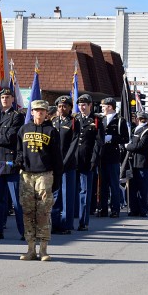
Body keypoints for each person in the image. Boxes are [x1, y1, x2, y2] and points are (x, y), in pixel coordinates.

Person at [15, 99, 63, 261]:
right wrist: (19, 160)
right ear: (32, 112)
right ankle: (30, 249)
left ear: (46, 113)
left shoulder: (51, 131)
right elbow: (19, 150)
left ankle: (43, 250)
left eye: (43, 110)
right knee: (28, 212)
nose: (40, 113)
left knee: (43, 212)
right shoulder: (24, 129)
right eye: (37, 110)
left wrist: (57, 179)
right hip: (27, 175)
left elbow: (57, 157)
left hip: (45, 175)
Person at [0, 88, 24, 239]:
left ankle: (24, 232)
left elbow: (9, 139)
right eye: (2, 97)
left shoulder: (17, 117)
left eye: (7, 97)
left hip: (10, 163)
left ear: (13, 99)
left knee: (17, 202)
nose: (5, 100)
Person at [51, 95, 80, 235]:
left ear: (69, 108)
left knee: (67, 195)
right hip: (54, 165)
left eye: (65, 106)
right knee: (55, 195)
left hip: (67, 165)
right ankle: (55, 223)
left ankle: (66, 224)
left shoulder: (73, 122)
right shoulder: (53, 121)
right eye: (60, 106)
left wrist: (64, 163)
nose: (62, 109)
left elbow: (73, 145)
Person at [74, 94, 102, 231]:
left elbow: (98, 142)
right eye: (80, 105)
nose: (82, 107)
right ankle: (70, 219)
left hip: (87, 160)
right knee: (73, 191)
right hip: (74, 160)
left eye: (84, 105)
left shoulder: (96, 120)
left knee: (85, 192)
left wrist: (93, 160)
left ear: (90, 105)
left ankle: (83, 221)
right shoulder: (75, 119)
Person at [97, 97, 129, 217]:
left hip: (113, 156)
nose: (102, 109)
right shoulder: (101, 119)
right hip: (102, 155)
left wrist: (112, 138)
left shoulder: (120, 120)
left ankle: (115, 209)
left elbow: (126, 138)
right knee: (103, 185)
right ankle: (103, 209)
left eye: (104, 106)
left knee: (114, 184)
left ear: (110, 107)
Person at [125, 112, 148, 217]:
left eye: (142, 118)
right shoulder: (135, 130)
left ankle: (142, 209)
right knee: (133, 187)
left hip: (144, 162)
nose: (140, 120)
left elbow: (141, 146)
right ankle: (134, 209)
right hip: (133, 161)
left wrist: (127, 146)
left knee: (143, 188)